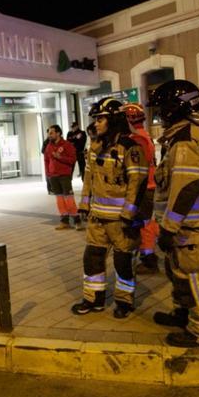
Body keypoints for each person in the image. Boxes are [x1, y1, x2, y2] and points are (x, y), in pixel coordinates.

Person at [149, 79, 199, 348]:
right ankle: (183, 313)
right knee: (178, 272)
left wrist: (168, 227)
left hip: (189, 226)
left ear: (174, 108)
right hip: (185, 225)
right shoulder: (185, 134)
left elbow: (185, 189)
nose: (158, 114)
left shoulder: (186, 140)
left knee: (194, 274)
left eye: (161, 108)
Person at [73, 99, 149, 318]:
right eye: (95, 119)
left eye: (100, 119)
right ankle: (93, 299)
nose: (96, 124)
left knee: (123, 262)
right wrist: (84, 205)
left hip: (121, 221)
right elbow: (89, 177)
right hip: (98, 218)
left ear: (113, 119)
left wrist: (129, 214)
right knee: (92, 258)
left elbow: (138, 182)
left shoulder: (130, 147)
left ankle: (124, 302)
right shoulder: (95, 146)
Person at [122, 103, 160, 273]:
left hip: (144, 188)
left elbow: (137, 168)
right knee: (145, 221)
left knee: (144, 223)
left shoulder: (136, 139)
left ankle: (149, 259)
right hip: (148, 185)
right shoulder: (143, 135)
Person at [43, 125, 81, 230]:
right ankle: (64, 221)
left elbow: (73, 160)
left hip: (64, 175)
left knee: (69, 198)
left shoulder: (67, 145)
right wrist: (48, 173)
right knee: (59, 199)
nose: (49, 135)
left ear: (58, 133)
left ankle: (77, 220)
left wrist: (61, 157)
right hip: (53, 176)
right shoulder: (49, 146)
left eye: (51, 133)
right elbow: (46, 160)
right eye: (49, 133)